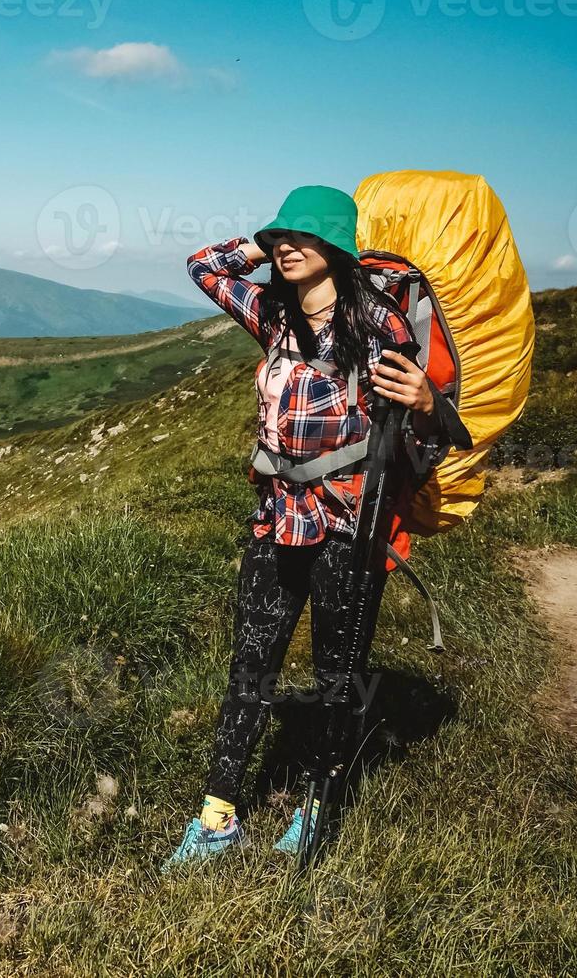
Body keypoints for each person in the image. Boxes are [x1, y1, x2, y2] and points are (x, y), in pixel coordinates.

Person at [163, 185, 443, 869]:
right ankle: (216, 818)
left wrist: (429, 402)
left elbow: (426, 438)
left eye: (304, 236)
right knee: (249, 670)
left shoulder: (379, 327)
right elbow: (202, 266)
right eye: (279, 237)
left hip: (348, 524)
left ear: (336, 248)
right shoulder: (272, 317)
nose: (286, 247)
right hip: (275, 519)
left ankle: (317, 808)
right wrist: (264, 242)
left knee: (334, 676)